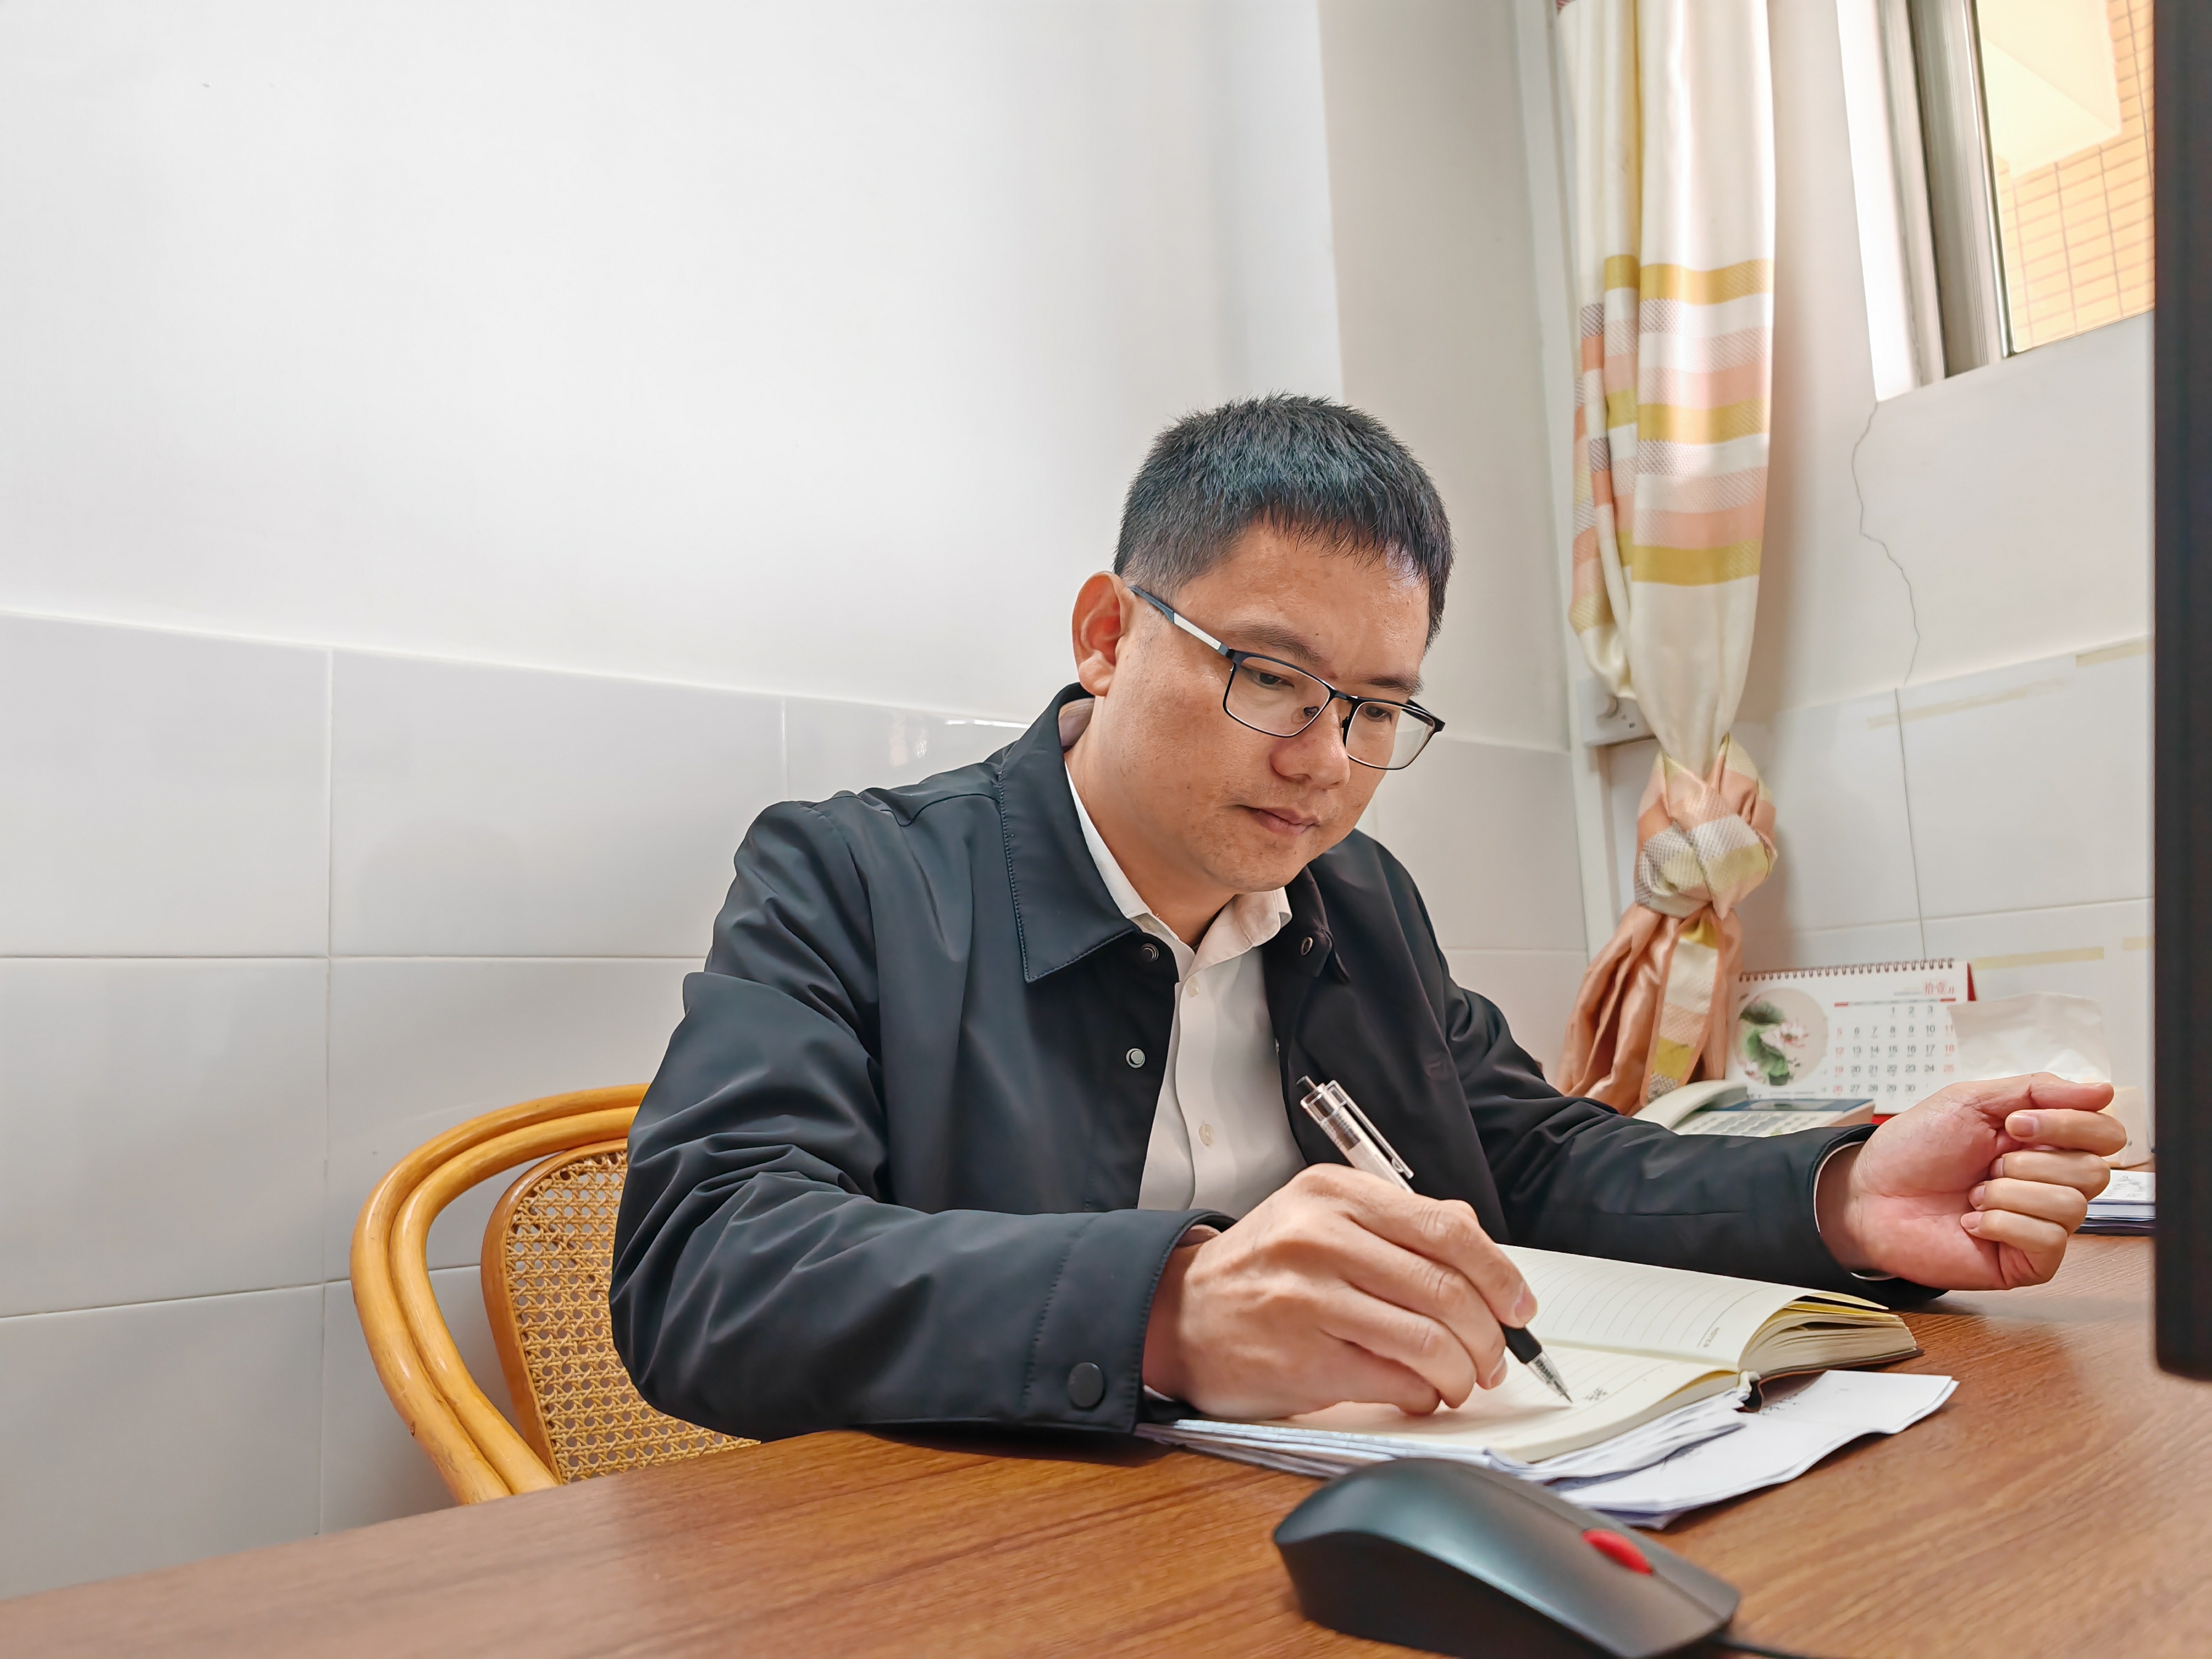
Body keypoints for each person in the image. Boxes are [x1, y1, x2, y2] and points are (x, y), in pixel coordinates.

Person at [610, 395, 2121, 1440]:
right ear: (1106, 635)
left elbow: (1527, 1159)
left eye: (1378, 707)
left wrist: (1840, 1194)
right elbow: (704, 1267)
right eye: (1271, 678)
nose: (1325, 761)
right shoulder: (856, 879)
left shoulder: (1356, 899)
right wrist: (1168, 1310)